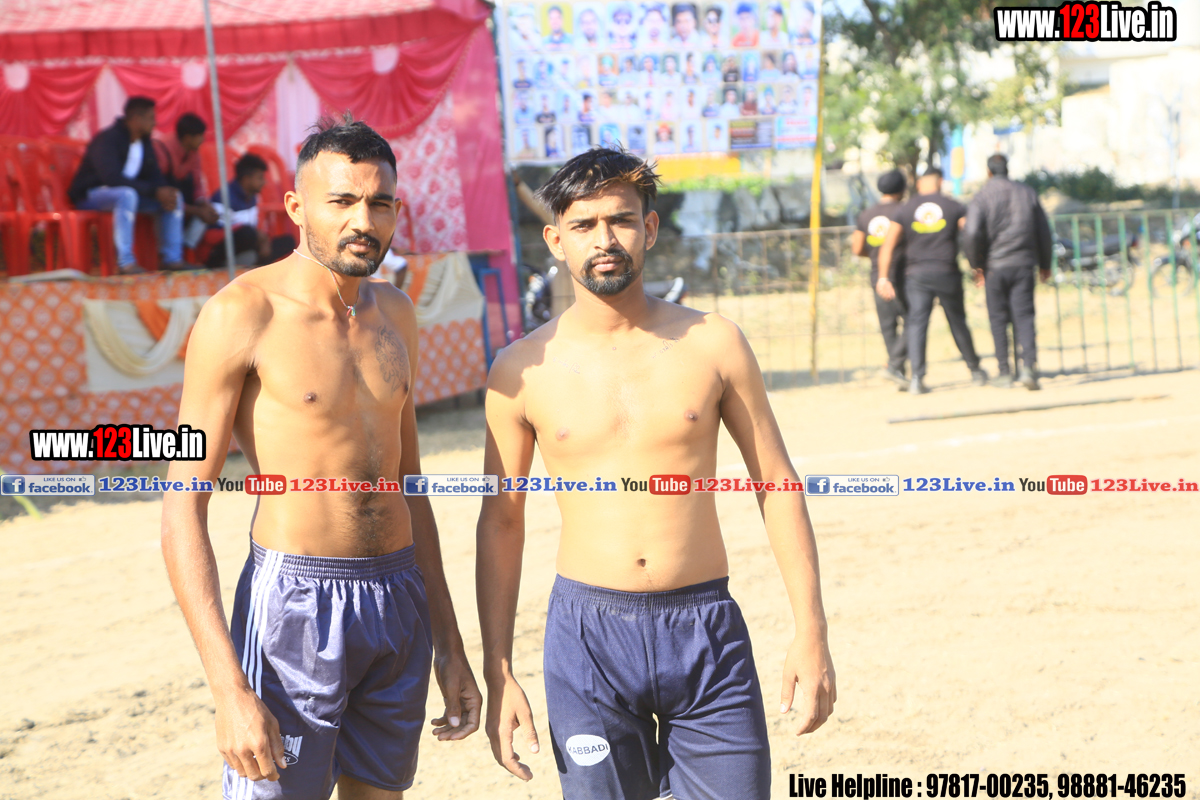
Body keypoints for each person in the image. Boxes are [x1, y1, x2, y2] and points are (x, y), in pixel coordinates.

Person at [476, 147, 835, 800]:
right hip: (588, 640)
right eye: (584, 225)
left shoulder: (715, 343)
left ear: (649, 228)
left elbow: (778, 486)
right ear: (555, 240)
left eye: (620, 220)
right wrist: (498, 670)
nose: (604, 240)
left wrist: (811, 631)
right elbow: (501, 520)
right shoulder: (521, 369)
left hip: (705, 630)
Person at [160, 116, 481, 800]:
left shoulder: (397, 313)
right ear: (297, 207)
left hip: (398, 597)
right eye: (342, 201)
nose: (363, 221)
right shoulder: (243, 313)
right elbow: (182, 507)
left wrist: (450, 645)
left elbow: (410, 487)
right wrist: (228, 689)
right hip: (293, 606)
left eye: (380, 203)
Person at [877, 167, 987, 394]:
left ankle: (917, 379)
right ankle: (975, 370)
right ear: (940, 182)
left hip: (916, 275)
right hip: (946, 272)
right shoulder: (953, 206)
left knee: (917, 324)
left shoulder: (906, 208)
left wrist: (883, 277)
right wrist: (977, 264)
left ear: (919, 183)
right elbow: (971, 235)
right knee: (957, 322)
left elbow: (888, 244)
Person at [68, 96, 187, 274]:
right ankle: (125, 262)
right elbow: (112, 178)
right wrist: (154, 191)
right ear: (137, 119)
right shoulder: (107, 139)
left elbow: (153, 174)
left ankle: (172, 259)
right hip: (91, 195)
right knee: (126, 194)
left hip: (128, 196)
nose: (154, 123)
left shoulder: (144, 143)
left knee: (174, 197)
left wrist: (163, 191)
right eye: (151, 118)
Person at [964, 153, 1053, 390]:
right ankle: (1028, 368)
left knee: (998, 318)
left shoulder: (981, 196)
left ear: (988, 172)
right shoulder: (1026, 193)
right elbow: (1044, 231)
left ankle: (1004, 372)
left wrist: (976, 265)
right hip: (1023, 263)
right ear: (1008, 169)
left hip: (994, 266)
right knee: (1024, 316)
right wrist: (1045, 264)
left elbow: (971, 233)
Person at [851, 170, 909, 389]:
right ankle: (896, 366)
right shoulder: (905, 211)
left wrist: (875, 255)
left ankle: (897, 369)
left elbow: (857, 248)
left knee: (888, 326)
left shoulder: (867, 214)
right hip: (904, 274)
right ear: (902, 189)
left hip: (878, 276)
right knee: (914, 320)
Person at [203, 153, 295, 268]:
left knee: (288, 241)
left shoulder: (253, 197)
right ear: (246, 179)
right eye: (260, 178)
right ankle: (245, 263)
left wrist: (263, 240)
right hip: (221, 252)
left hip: (248, 246)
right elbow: (211, 237)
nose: (264, 182)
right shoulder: (224, 197)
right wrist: (254, 234)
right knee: (247, 234)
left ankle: (254, 263)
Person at [152, 112, 219, 250]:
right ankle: (171, 252)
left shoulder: (194, 153)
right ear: (188, 138)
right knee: (174, 202)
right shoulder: (163, 149)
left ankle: (186, 248)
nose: (203, 140)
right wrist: (197, 211)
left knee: (210, 211)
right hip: (163, 199)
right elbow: (160, 191)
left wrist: (204, 204)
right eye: (200, 136)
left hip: (183, 200)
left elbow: (197, 184)